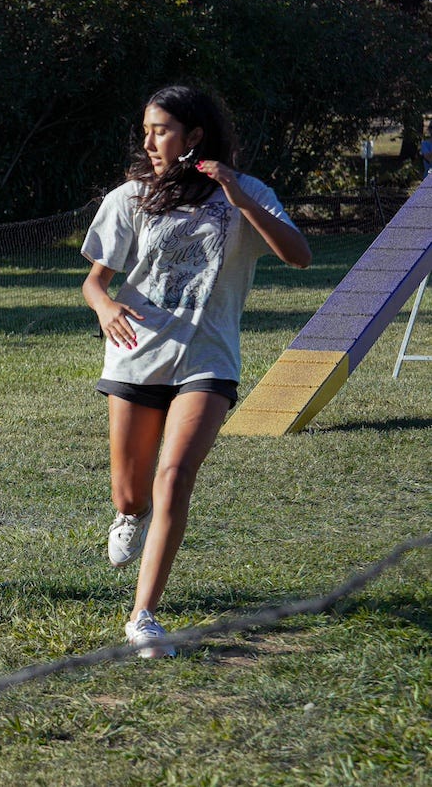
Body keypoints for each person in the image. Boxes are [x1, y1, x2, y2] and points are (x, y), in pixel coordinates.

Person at [80, 85, 312, 657]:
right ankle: (128, 516)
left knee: (174, 476)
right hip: (138, 355)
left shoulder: (248, 193)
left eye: (161, 129)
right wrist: (106, 306)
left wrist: (240, 198)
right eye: (146, 130)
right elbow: (94, 281)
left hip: (208, 361)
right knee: (133, 493)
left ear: (195, 136)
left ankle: (144, 615)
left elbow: (300, 256)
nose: (149, 140)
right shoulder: (130, 197)